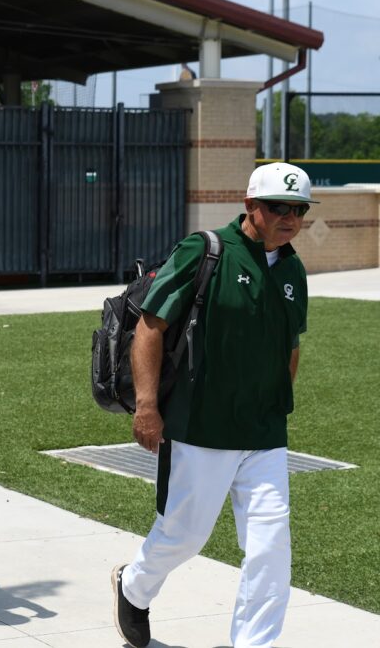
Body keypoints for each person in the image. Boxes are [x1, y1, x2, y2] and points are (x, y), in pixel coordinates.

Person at [111, 162, 317, 648]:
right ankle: (133, 586)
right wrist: (146, 407)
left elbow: (291, 346)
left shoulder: (293, 269)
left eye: (299, 210)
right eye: (278, 207)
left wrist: (276, 405)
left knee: (270, 552)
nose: (289, 218)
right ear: (251, 207)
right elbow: (150, 327)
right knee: (184, 536)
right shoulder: (206, 251)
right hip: (201, 427)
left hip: (264, 436)